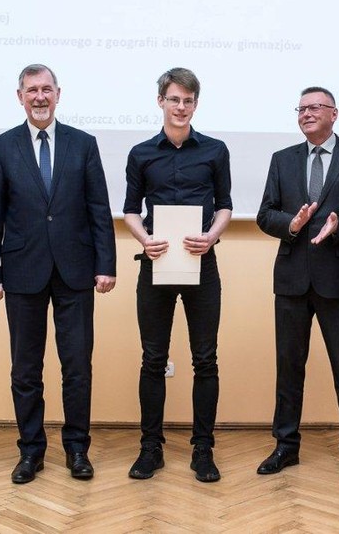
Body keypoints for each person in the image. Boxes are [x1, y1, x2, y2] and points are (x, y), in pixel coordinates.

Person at [0, 64, 116, 484]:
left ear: (58, 94)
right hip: (22, 271)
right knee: (25, 369)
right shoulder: (1, 147)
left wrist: (105, 265)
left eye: (46, 89)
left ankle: (77, 449)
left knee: (77, 367)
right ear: (20, 96)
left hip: (76, 271)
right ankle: (31, 451)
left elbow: (98, 209)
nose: (40, 97)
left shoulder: (83, 143)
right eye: (32, 90)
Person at [256, 86, 339, 485]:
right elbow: (265, 214)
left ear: (334, 113)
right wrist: (290, 225)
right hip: (291, 279)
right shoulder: (282, 159)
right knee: (288, 368)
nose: (307, 113)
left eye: (315, 107)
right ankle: (285, 446)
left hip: (338, 280)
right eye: (301, 108)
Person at [123, 67, 232, 483]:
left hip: (202, 264)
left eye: (188, 100)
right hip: (157, 264)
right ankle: (150, 448)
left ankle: (203, 450)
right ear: (161, 102)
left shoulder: (216, 151)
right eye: (174, 99)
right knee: (153, 359)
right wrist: (145, 239)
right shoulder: (141, 154)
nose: (181, 107)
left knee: (206, 359)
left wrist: (211, 236)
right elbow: (131, 210)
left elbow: (225, 205)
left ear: (195, 104)